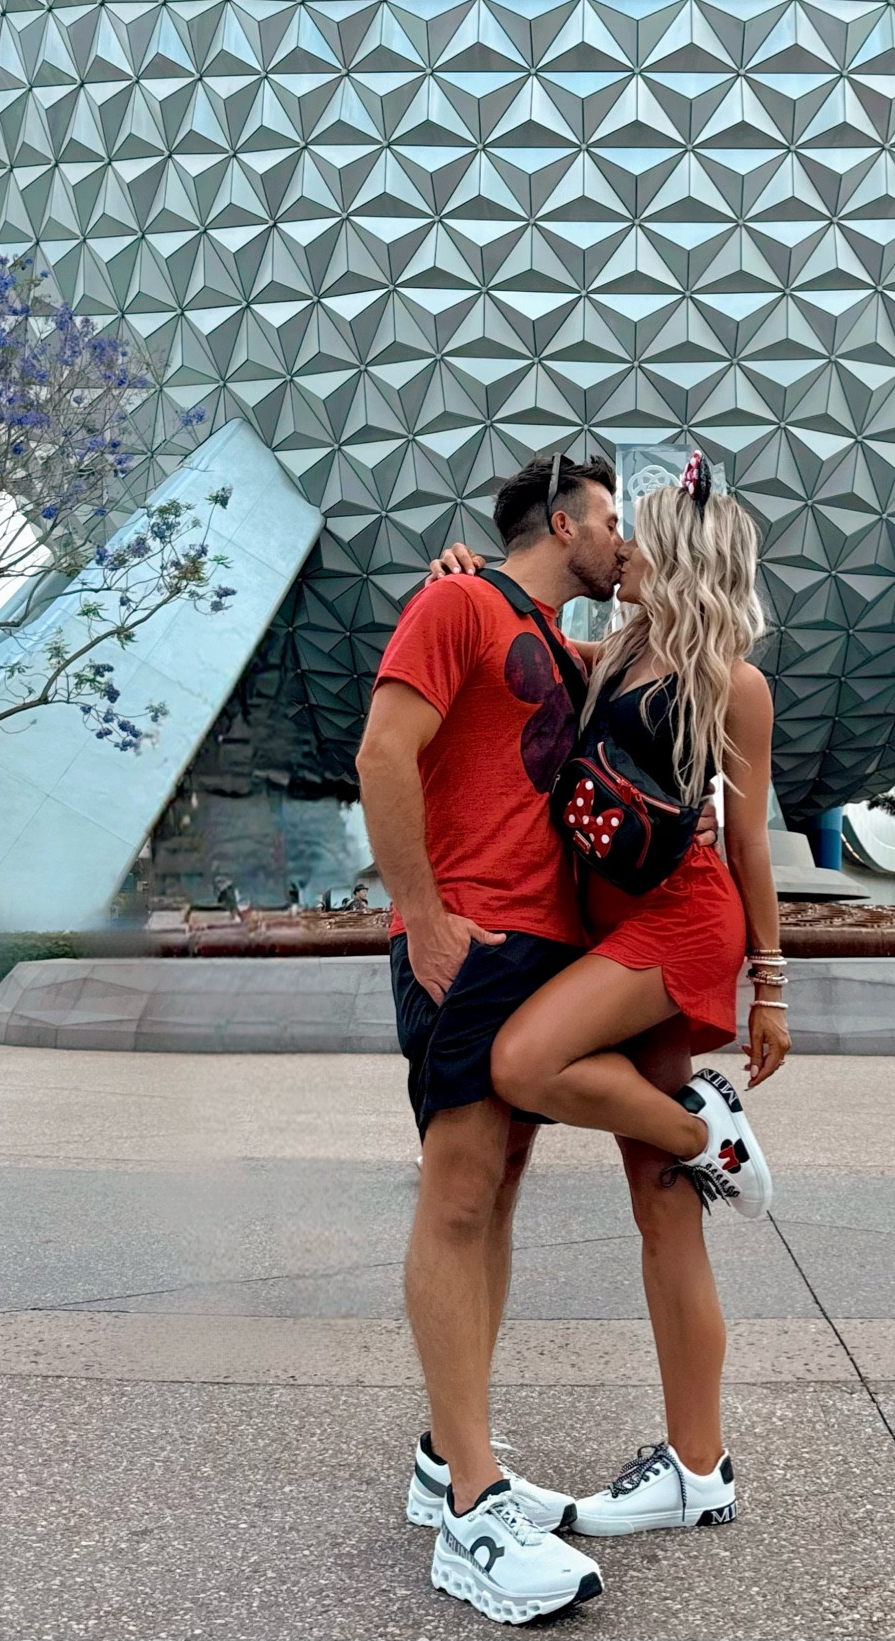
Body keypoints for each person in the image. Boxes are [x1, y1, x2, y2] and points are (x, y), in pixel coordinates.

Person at [485, 452, 789, 1541]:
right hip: (611, 922)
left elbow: (749, 841)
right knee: (661, 1216)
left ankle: (705, 1131)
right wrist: (462, 576)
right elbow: (512, 628)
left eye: (636, 532)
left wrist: (771, 983)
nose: (619, 547)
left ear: (678, 553)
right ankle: (697, 1469)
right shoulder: (609, 655)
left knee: (523, 1061)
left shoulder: (731, 681)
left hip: (680, 920)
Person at [357, 453, 623, 1623]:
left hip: (543, 943)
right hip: (472, 935)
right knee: (458, 1193)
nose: (623, 539)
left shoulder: (564, 644)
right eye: (611, 520)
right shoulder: (454, 599)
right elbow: (382, 751)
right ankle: (471, 1511)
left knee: (498, 1189)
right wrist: (422, 918)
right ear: (561, 521)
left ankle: (445, 1450)